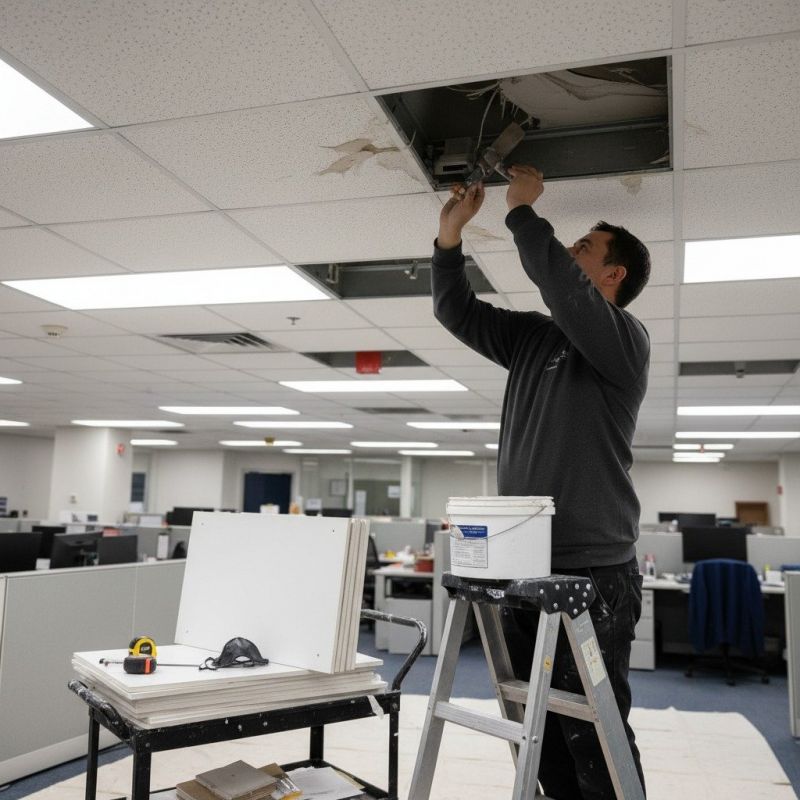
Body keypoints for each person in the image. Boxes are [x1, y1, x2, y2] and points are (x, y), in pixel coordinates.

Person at [431, 165, 651, 800]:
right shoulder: (532, 339)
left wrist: (523, 213)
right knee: (541, 728)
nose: (571, 252)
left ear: (614, 276)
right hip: (521, 565)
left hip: (593, 572)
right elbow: (456, 310)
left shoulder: (623, 343)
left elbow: (562, 288)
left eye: (585, 247)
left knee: (598, 738)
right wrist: (450, 240)